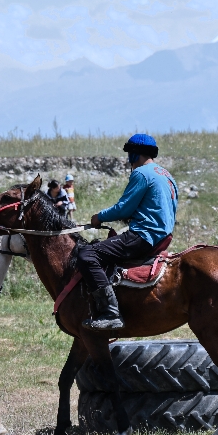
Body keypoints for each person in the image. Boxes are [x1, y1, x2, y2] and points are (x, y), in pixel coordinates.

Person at [76, 134, 178, 331]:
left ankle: (110, 313)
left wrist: (99, 217)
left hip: (143, 236)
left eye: (129, 154)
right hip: (162, 236)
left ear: (134, 154)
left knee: (87, 255)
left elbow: (123, 208)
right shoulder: (166, 175)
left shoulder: (141, 173)